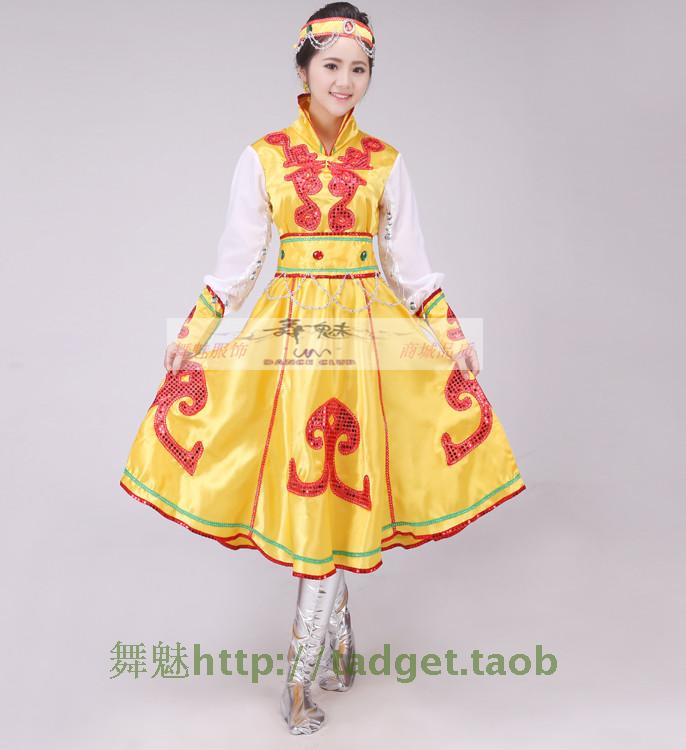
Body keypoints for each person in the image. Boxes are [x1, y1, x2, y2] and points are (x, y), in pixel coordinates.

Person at [119, 3, 527, 735]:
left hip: (368, 347)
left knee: (343, 492)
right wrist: (191, 335)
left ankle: (324, 655)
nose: (345, 80)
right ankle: (302, 681)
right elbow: (235, 267)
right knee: (318, 496)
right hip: (291, 350)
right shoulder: (264, 157)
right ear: (304, 69)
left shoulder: (386, 162)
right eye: (331, 65)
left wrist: (453, 338)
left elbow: (413, 271)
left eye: (359, 68)